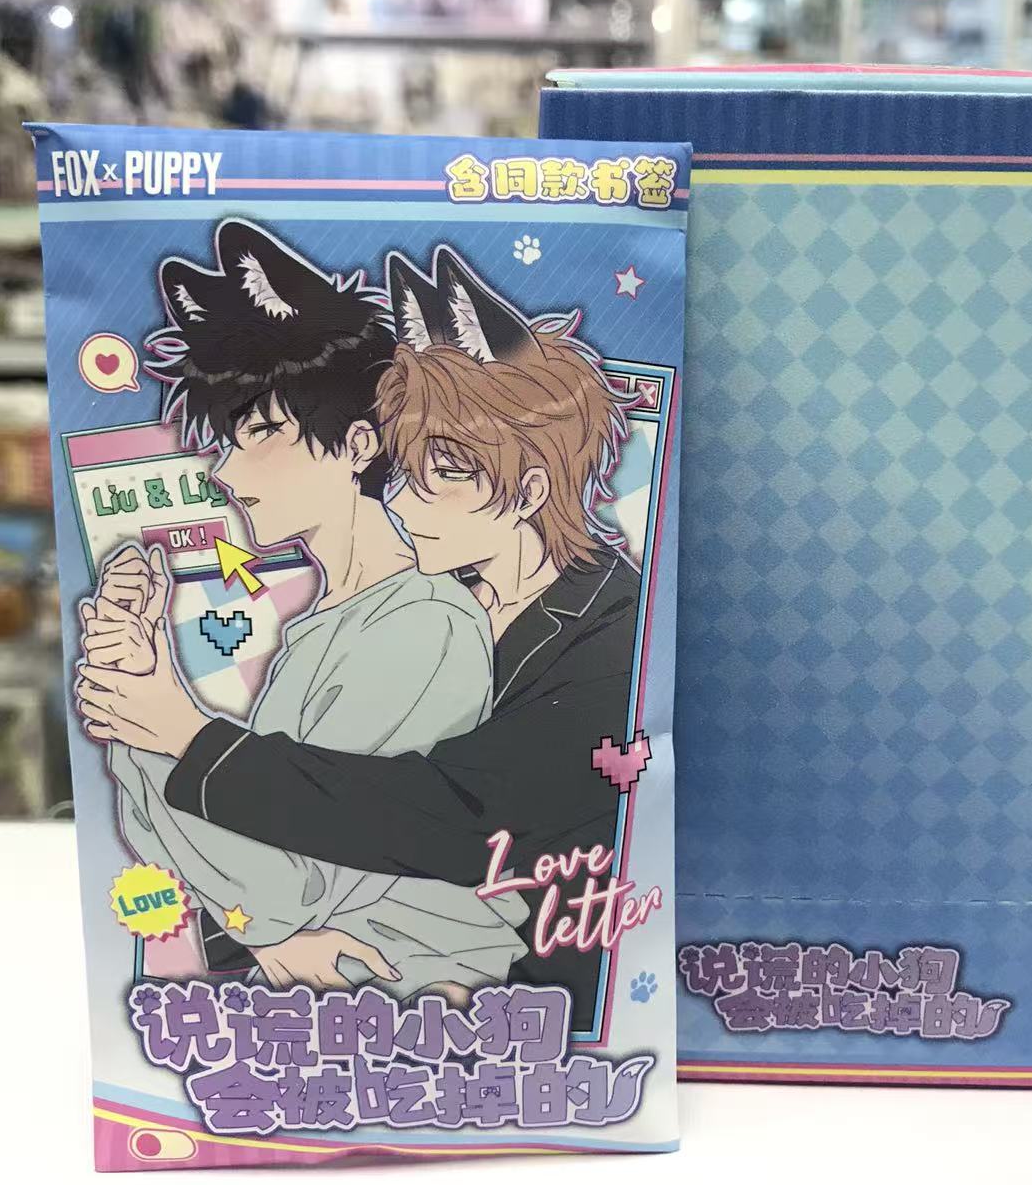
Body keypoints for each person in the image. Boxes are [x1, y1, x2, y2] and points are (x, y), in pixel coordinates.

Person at [78, 243, 642, 1030]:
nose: (402, 503)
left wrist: (176, 732)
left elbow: (447, 817)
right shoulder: (402, 611)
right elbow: (254, 862)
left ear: (529, 490)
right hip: (383, 1011)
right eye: (410, 467)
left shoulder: (590, 631)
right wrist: (137, 713)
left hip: (531, 1009)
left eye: (442, 472)